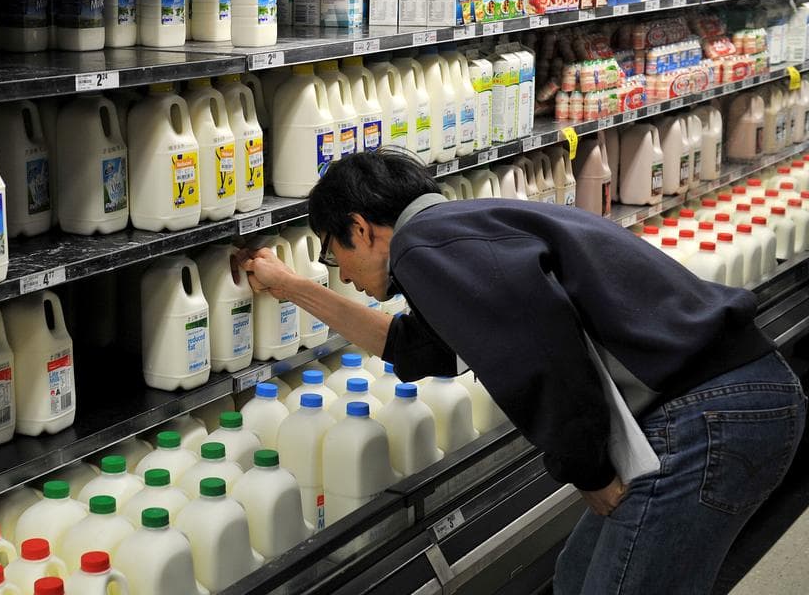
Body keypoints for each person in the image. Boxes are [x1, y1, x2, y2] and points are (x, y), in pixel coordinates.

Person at [240, 148, 807, 594]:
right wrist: (292, 288)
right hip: (728, 397)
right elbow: (419, 348)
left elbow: (540, 352)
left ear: (360, 229)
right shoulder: (457, 229)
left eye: (333, 257)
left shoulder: (425, 245)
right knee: (581, 572)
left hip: (710, 412)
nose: (341, 274)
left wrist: (588, 471)